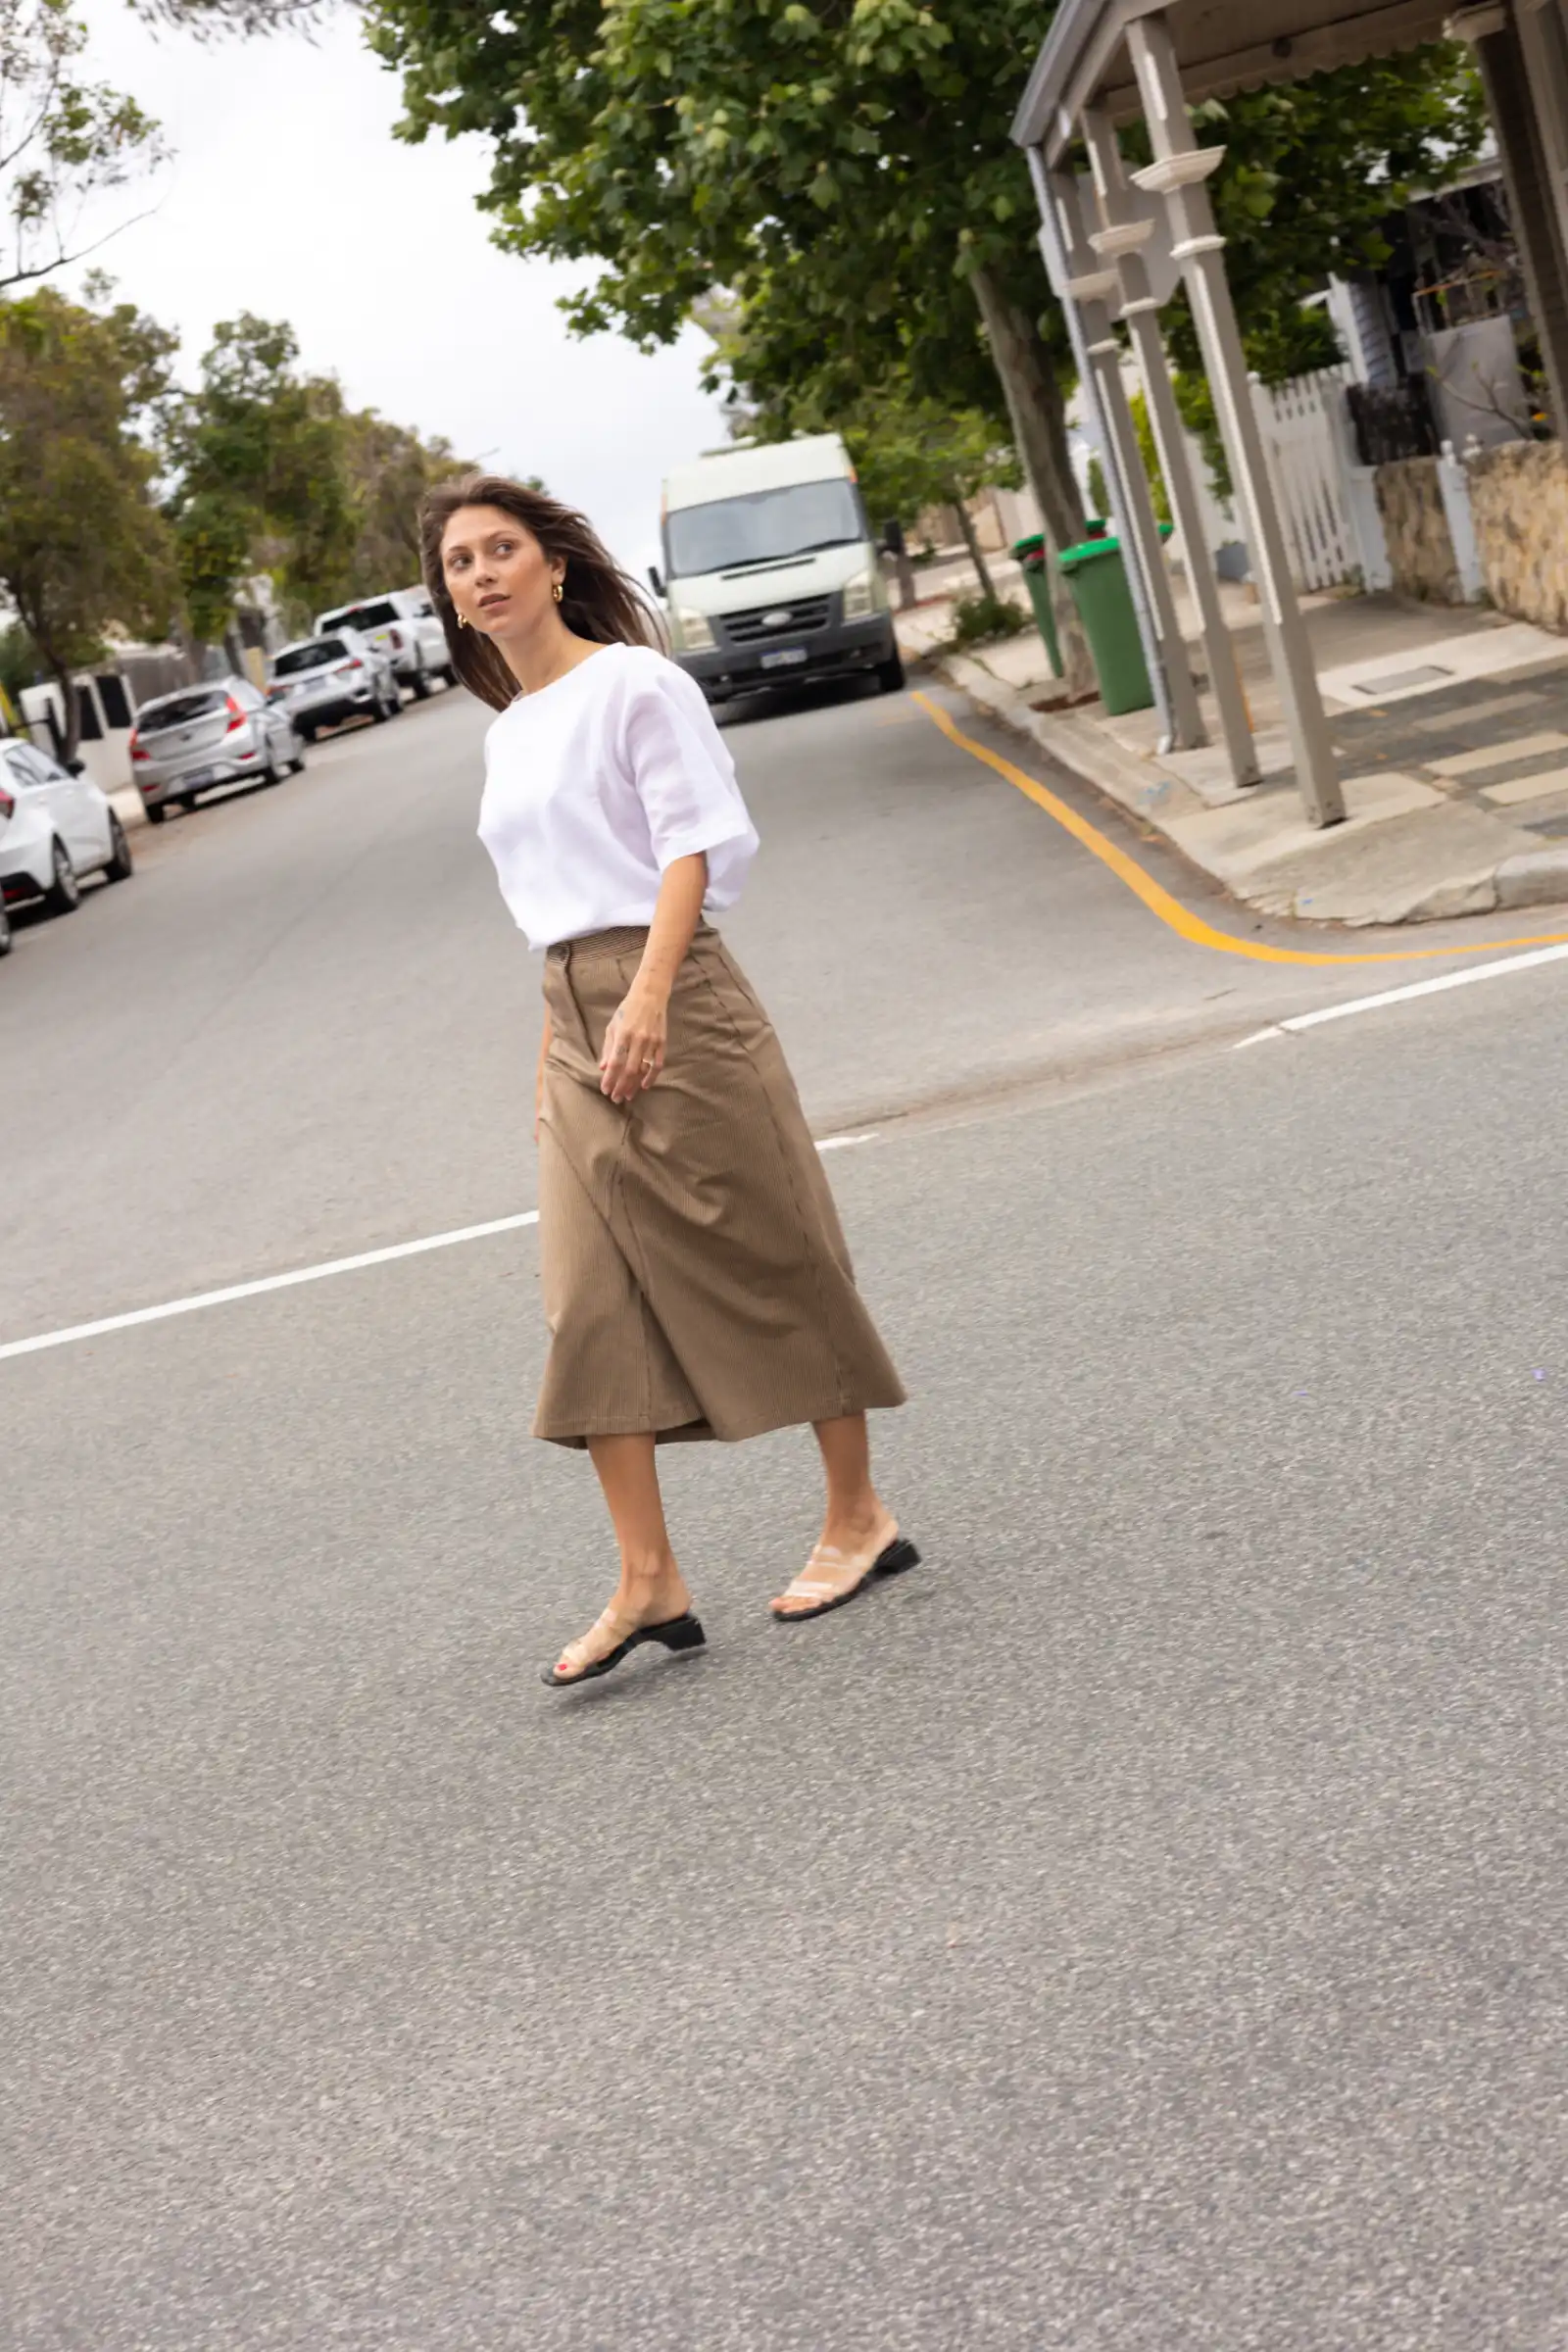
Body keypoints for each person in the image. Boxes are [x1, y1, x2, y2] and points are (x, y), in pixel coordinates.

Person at [418, 472, 914, 1687]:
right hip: (570, 1013)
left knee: (770, 1244)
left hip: (674, 989)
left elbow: (692, 837)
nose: (480, 574)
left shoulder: (637, 683)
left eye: (500, 550)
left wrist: (644, 993)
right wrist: (555, 1047)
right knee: (586, 1300)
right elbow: (547, 910)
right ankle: (649, 1580)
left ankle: (859, 1514)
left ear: (554, 565)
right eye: (458, 563)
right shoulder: (507, 728)